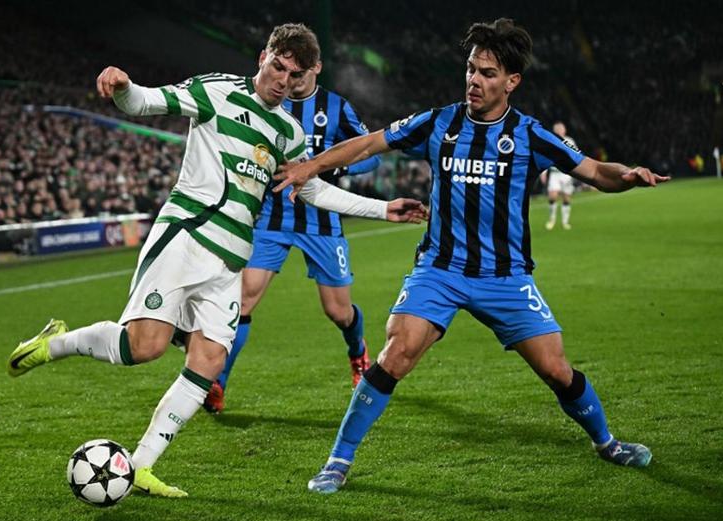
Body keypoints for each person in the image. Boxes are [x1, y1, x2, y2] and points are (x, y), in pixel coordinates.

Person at [7, 23, 427, 498]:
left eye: (292, 76)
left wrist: (382, 209)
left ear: (303, 79)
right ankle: (57, 343)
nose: (281, 81)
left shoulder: (287, 130)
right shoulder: (216, 92)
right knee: (143, 347)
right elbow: (146, 101)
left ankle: (141, 465)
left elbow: (309, 187)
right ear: (262, 57)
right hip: (185, 239)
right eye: (277, 67)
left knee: (207, 360)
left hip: (230, 259)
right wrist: (123, 86)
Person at [275, 18, 669, 494]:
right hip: (439, 270)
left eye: (486, 73)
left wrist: (626, 176)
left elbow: (592, 170)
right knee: (395, 352)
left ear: (511, 82)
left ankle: (606, 443)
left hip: (505, 277)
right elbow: (371, 142)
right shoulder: (439, 122)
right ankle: (338, 461)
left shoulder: (530, 135)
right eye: (470, 69)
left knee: (556, 369)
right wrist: (311, 166)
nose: (473, 81)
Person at [197, 47, 382, 414]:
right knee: (245, 299)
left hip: (322, 220)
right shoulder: (267, 103)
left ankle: (357, 350)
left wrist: (331, 168)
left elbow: (372, 154)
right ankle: (217, 382)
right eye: (286, 71)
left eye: (299, 72)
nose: (290, 80)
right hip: (271, 218)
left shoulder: (336, 107)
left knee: (338, 311)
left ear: (316, 67)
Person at [542, 121, 577, 230]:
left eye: (561, 129)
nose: (559, 131)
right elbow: (545, 157)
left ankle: (565, 222)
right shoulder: (550, 141)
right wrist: (543, 173)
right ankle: (552, 219)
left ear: (564, 130)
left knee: (566, 198)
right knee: (553, 196)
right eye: (557, 129)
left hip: (566, 173)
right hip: (554, 174)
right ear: (554, 131)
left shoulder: (569, 141)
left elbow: (576, 156)